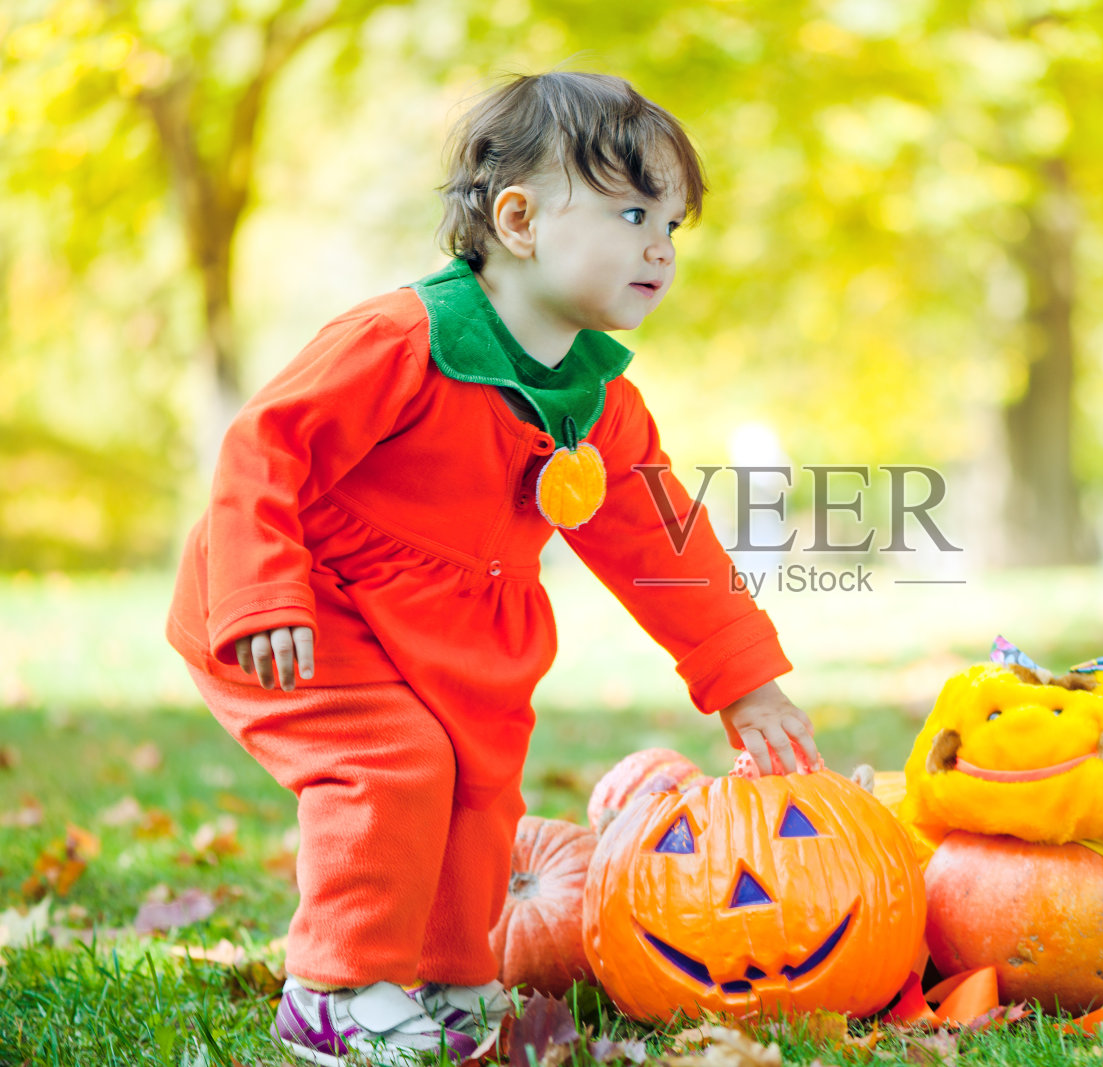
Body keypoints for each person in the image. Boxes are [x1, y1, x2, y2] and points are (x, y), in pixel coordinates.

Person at [166, 70, 819, 1066]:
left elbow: (663, 545)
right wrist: (263, 591)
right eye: (634, 210)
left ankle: (440, 974)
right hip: (300, 601)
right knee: (392, 762)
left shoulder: (600, 403)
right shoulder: (403, 341)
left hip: (449, 625)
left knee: (479, 783)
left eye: (674, 225)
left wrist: (748, 680)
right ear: (517, 219)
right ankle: (335, 991)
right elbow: (266, 447)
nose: (661, 246)